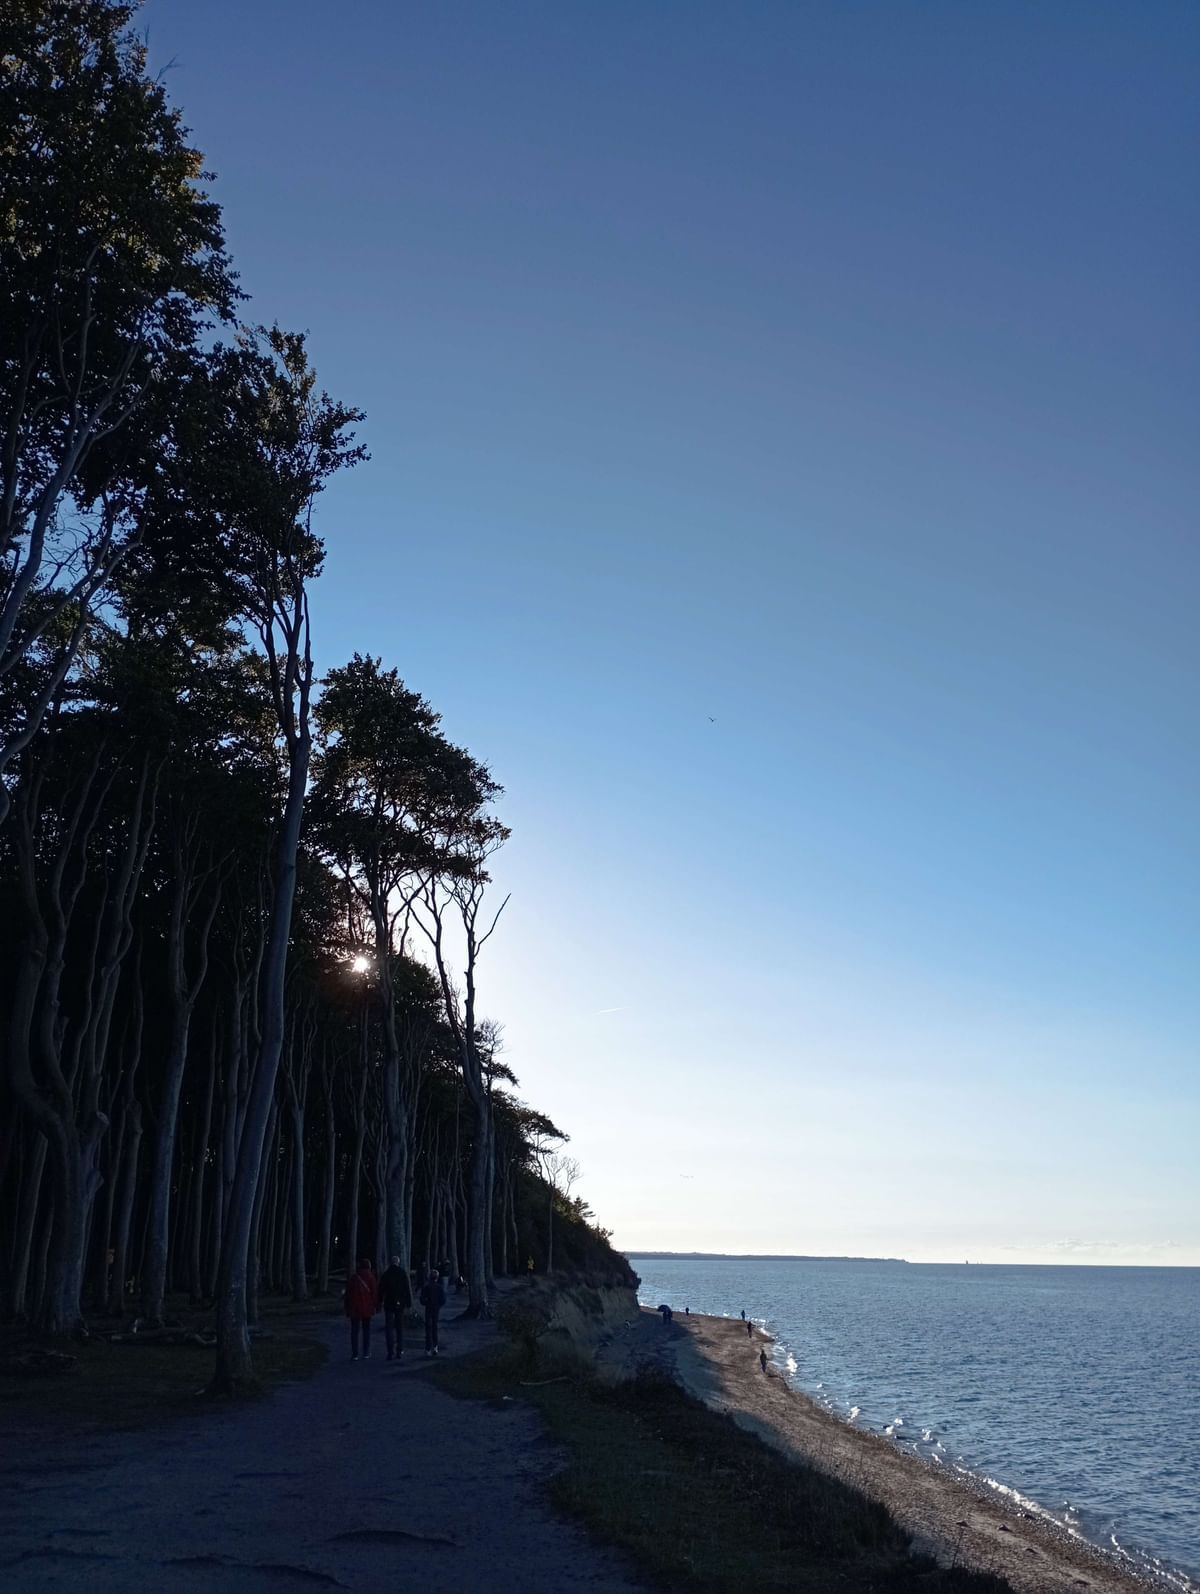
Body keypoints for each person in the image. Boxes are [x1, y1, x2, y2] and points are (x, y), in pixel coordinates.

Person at [344, 1257, 379, 1361]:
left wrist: (347, 1308)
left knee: (354, 1331)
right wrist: (376, 1306)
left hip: (354, 1308)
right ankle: (366, 1352)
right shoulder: (371, 1277)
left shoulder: (354, 1277)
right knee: (366, 1330)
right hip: (367, 1308)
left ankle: (355, 1353)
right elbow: (374, 1293)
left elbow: (348, 1294)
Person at [379, 1254, 413, 1361]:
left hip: (389, 1302)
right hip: (400, 1303)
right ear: (398, 1262)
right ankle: (399, 1350)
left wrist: (379, 1301)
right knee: (399, 1327)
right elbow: (406, 1288)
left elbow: (381, 1289)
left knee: (389, 1328)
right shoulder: (402, 1273)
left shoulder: (386, 1274)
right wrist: (408, 1302)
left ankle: (390, 1351)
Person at [420, 1268, 447, 1357]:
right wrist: (439, 1304)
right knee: (434, 1327)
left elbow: (422, 1300)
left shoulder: (426, 1287)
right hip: (436, 1308)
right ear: (437, 1278)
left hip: (428, 1308)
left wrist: (426, 1302)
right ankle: (435, 1347)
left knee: (428, 1328)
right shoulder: (439, 1287)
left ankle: (428, 1348)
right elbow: (443, 1300)